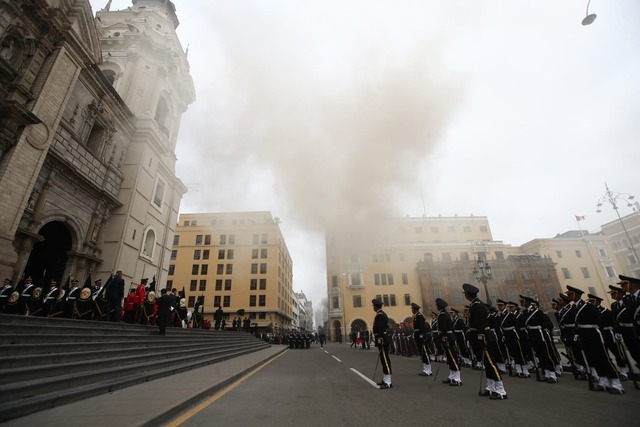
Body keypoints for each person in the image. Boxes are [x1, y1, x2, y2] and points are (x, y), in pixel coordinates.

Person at [567, 285, 624, 394]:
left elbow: (599, 318)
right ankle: (603, 382)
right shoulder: (574, 308)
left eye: (570, 294)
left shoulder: (587, 306)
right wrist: (577, 333)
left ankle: (617, 384)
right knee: (593, 359)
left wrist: (597, 329)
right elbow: (577, 323)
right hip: (584, 336)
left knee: (603, 358)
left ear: (576, 295)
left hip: (594, 335)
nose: (569, 296)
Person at [463, 283, 507, 400]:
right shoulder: (475, 305)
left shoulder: (477, 306)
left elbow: (481, 324)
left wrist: (482, 338)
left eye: (465, 294)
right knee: (487, 364)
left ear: (467, 295)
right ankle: (491, 387)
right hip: (480, 337)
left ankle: (501, 390)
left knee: (491, 363)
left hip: (483, 338)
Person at [436, 298, 462, 386]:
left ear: (439, 307)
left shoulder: (443, 315)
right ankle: (452, 376)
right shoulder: (444, 314)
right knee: (450, 358)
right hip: (447, 337)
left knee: (453, 357)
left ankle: (457, 378)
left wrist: (444, 338)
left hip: (447, 338)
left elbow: (443, 329)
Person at [372, 298, 392, 389]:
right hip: (382, 339)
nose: (373, 308)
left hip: (382, 340)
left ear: (376, 307)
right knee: (383, 360)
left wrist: (379, 341)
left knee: (385, 360)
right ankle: (385, 379)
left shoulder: (380, 315)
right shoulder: (381, 314)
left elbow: (380, 330)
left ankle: (388, 382)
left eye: (374, 306)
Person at [411, 302, 432, 376]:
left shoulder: (419, 316)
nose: (412, 310)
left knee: (425, 353)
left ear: (415, 309)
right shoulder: (416, 316)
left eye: (412, 309)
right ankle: (425, 369)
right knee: (422, 353)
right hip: (418, 336)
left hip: (421, 337)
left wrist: (422, 336)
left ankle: (428, 370)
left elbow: (422, 327)